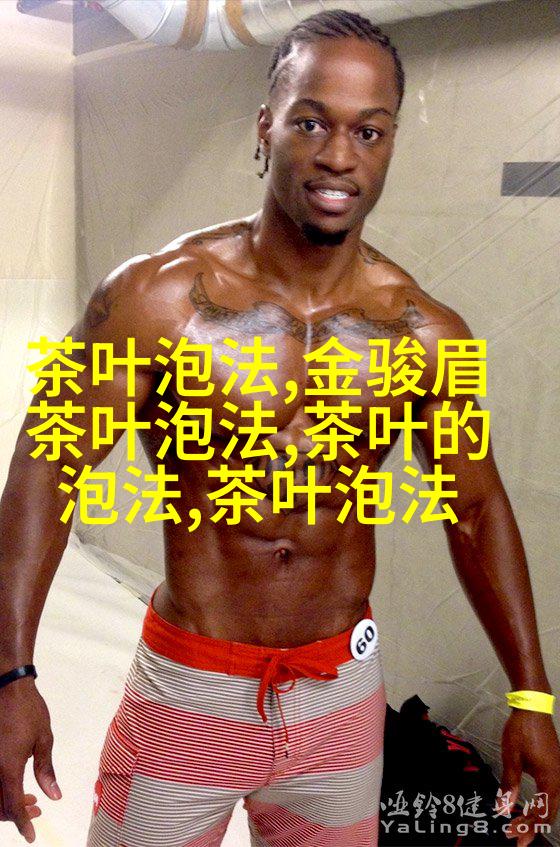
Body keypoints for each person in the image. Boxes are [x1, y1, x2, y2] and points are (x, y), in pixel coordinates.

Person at [0, 8, 558, 847]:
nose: (339, 156)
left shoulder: (423, 332)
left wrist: (530, 694)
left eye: (368, 131)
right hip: (192, 688)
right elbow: (47, 468)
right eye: (312, 122)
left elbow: (476, 508)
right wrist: (11, 673)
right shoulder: (158, 300)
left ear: (390, 143)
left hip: (341, 699)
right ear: (266, 126)